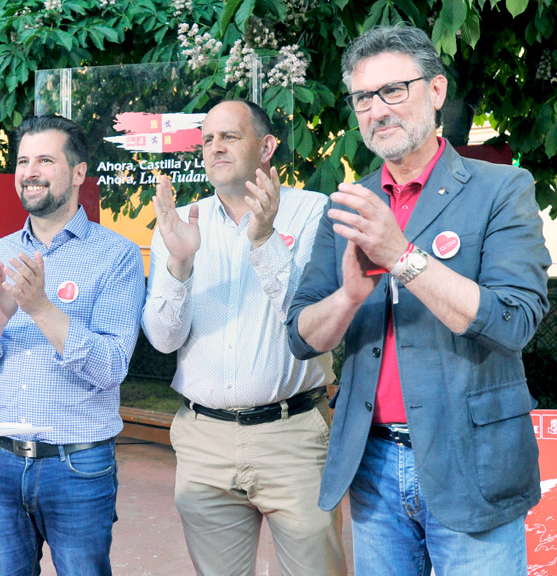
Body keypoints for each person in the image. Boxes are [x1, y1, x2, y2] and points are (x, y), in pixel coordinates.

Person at [286, 25, 551, 575]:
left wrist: (401, 255)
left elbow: (514, 322)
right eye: (363, 97)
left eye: (393, 90)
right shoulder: (347, 205)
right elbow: (299, 335)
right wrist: (348, 298)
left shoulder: (502, 188)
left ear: (436, 91)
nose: (377, 110)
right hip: (373, 466)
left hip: (471, 464)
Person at [141, 100, 346, 575]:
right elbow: (163, 340)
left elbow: (313, 329)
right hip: (203, 441)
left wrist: (265, 238)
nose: (215, 147)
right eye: (208, 139)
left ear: (267, 146)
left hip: (292, 436)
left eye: (229, 136)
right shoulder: (179, 223)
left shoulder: (314, 213)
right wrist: (180, 265)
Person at [0, 114, 145, 575]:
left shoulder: (116, 254)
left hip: (77, 466)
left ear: (78, 173)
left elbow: (111, 367)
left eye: (44, 160)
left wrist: (40, 308)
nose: (29, 172)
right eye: (22, 161)